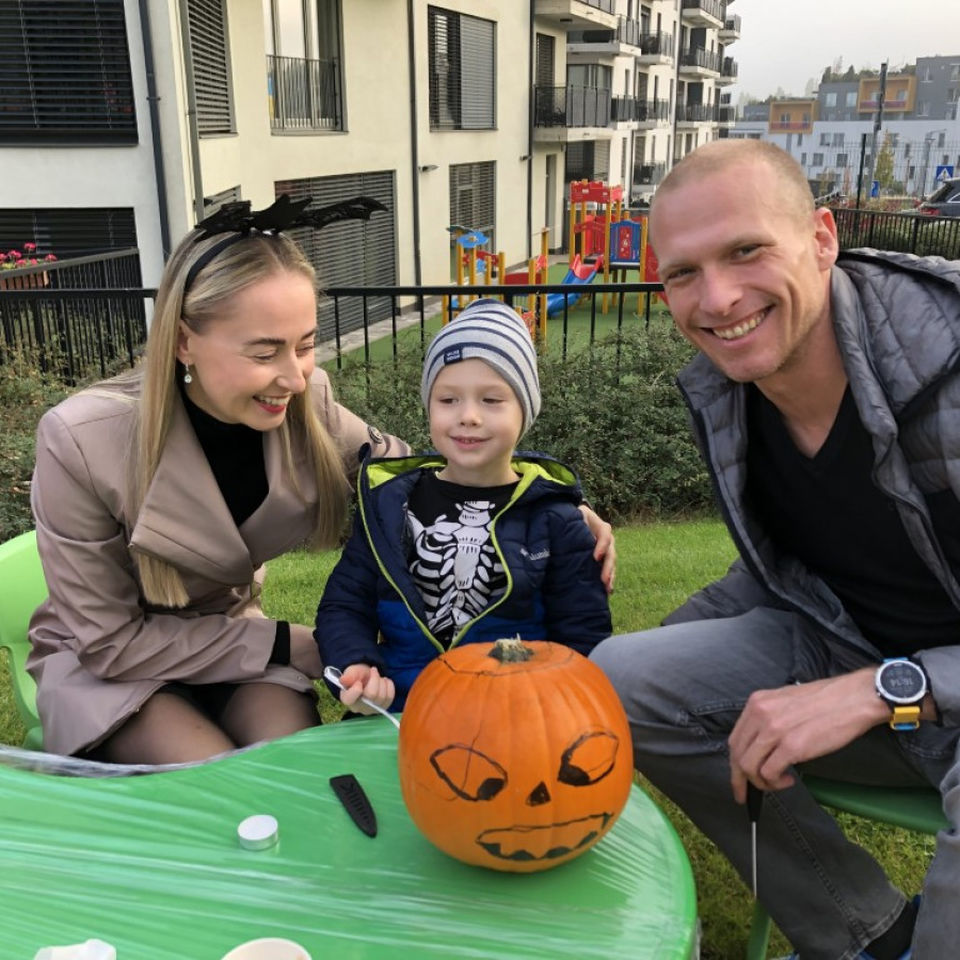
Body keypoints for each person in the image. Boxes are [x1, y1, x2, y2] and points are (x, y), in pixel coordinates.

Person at [589, 140, 960, 960]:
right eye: (683, 272)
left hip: (921, 686)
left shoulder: (949, 367)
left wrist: (887, 689)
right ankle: (861, 929)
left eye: (746, 250)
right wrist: (580, 684)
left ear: (822, 238)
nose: (717, 298)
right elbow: (784, 571)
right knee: (617, 680)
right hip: (864, 659)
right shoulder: (731, 389)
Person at [27, 199, 412, 764]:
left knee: (292, 771)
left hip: (229, 635)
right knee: (218, 786)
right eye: (264, 352)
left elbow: (409, 483)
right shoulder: (82, 440)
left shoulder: (310, 406)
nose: (294, 377)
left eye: (305, 345)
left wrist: (542, 504)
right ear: (184, 341)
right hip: (105, 663)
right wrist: (287, 643)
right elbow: (110, 642)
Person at [314, 298, 612, 714]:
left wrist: (558, 706)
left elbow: (583, 634)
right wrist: (358, 665)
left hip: (516, 713)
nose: (468, 416)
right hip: (399, 709)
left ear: (525, 411)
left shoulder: (555, 519)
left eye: (492, 401)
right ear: (428, 406)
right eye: (448, 400)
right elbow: (345, 604)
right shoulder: (388, 507)